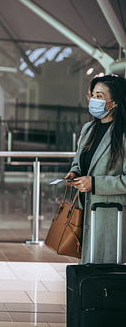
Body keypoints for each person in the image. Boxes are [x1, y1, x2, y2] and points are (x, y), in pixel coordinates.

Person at [65, 74, 126, 264]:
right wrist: (74, 172)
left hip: (111, 215)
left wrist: (95, 183)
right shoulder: (88, 129)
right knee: (89, 269)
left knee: (106, 272)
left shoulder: (123, 136)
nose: (93, 100)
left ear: (113, 103)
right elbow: (78, 161)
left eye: (99, 96)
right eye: (92, 95)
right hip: (87, 211)